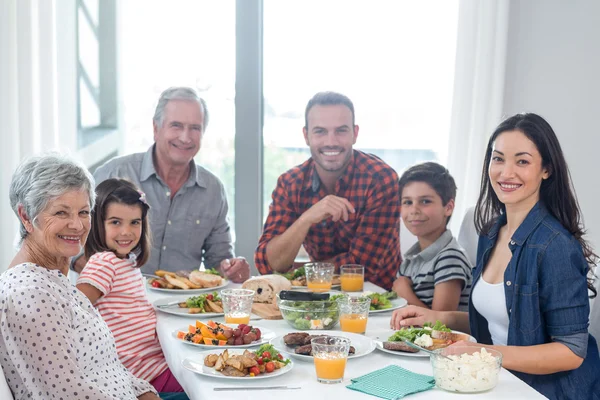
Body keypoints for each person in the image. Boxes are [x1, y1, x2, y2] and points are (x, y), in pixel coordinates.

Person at [391, 113, 600, 399]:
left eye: (522, 161)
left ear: (546, 170)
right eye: (498, 158)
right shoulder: (491, 233)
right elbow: (502, 320)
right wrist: (436, 317)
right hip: (495, 381)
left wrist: (484, 352)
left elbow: (571, 351)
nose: (505, 172)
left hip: (543, 391)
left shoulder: (555, 245)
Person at [1, 154, 160, 400]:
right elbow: (69, 395)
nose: (77, 225)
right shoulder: (30, 295)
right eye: (61, 213)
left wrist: (146, 393)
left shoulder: (53, 280)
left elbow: (109, 368)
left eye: (83, 212)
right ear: (25, 217)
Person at [73, 87, 249, 283]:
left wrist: (230, 268)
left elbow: (218, 260)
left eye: (195, 128)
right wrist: (113, 282)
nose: (185, 137)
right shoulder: (113, 173)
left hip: (180, 306)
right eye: (176, 125)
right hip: (114, 300)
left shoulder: (213, 190)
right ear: (156, 129)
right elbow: (75, 248)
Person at [255, 91, 401, 290]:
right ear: (306, 136)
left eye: (341, 130)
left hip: (378, 304)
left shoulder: (381, 179)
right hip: (317, 300)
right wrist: (306, 219)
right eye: (320, 131)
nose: (331, 141)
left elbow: (362, 268)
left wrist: (303, 273)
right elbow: (268, 265)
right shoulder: (290, 184)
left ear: (355, 134)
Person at [76, 179, 187, 396]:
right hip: (140, 374)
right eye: (116, 222)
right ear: (98, 223)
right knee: (201, 386)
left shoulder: (127, 262)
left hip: (150, 365)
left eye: (135, 222)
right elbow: (75, 311)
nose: (126, 231)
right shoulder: (104, 262)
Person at [393, 162, 472, 311]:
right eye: (407, 202)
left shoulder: (450, 258)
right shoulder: (412, 259)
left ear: (448, 208)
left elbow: (441, 325)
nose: (414, 210)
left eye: (425, 201)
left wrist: (404, 294)